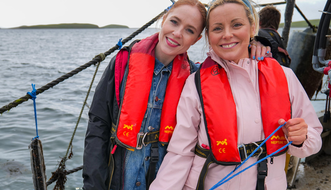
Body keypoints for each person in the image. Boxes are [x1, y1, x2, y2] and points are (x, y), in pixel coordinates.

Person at [83, 0, 269, 189]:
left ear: (197, 39)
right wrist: (93, 184)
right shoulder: (123, 63)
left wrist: (256, 44)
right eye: (174, 22)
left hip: (163, 179)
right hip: (118, 178)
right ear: (164, 20)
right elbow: (98, 125)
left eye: (189, 30)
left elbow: (232, 66)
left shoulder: (195, 79)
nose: (178, 33)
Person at [150, 0, 323, 190]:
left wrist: (301, 138)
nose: (227, 34)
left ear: (252, 27)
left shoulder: (285, 77)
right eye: (217, 28)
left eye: (237, 24)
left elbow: (314, 138)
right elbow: (180, 152)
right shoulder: (195, 83)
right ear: (208, 35)